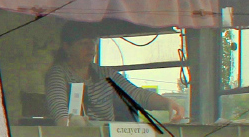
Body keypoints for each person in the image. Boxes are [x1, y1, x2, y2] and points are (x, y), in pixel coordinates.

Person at [45, 22, 186, 125]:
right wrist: (73, 126)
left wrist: (167, 103)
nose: (90, 48)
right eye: (83, 43)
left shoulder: (105, 74)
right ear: (67, 47)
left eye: (92, 43)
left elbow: (137, 95)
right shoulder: (58, 74)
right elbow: (61, 114)